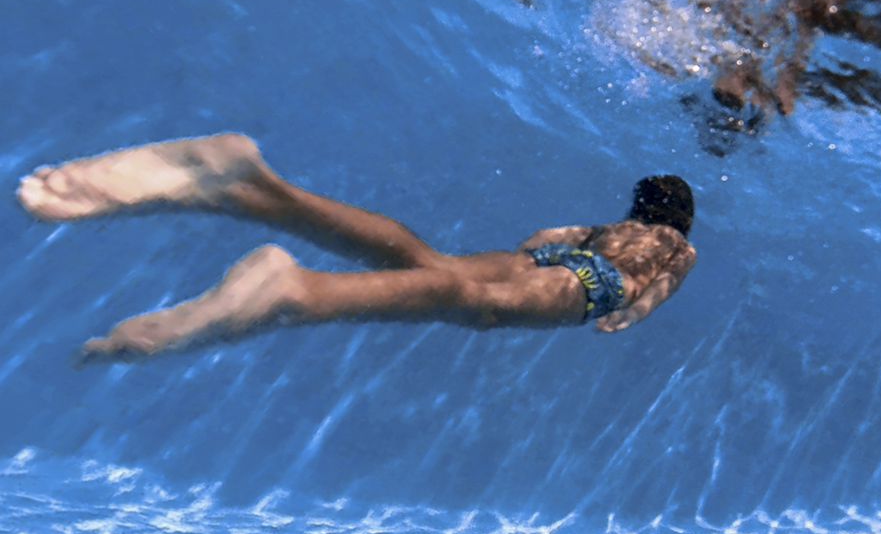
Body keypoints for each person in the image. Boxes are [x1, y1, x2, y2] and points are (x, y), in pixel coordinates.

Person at [15, 134, 697, 361]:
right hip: (597, 285)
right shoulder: (677, 247)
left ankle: (251, 189)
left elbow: (543, 239)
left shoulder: (612, 227)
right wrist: (626, 314)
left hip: (557, 262)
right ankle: (301, 293)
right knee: (473, 306)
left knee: (432, 264)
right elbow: (659, 288)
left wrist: (539, 261)